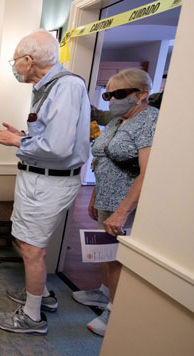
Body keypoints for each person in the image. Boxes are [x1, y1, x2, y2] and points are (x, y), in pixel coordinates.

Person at [0, 29, 90, 335]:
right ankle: (41, 295)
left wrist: (17, 143)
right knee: (26, 240)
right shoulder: (45, 88)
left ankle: (32, 317)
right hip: (37, 180)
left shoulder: (66, 87)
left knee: (32, 249)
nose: (14, 65)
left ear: (29, 60)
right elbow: (50, 135)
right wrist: (23, 136)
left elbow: (58, 148)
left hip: (49, 182)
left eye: (15, 60)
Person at [73, 68, 159, 337]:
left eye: (119, 94)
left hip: (127, 206)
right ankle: (103, 293)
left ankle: (115, 313)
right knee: (106, 255)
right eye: (109, 94)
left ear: (141, 94)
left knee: (118, 260)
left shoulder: (149, 121)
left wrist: (122, 212)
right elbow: (104, 158)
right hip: (106, 198)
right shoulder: (116, 121)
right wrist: (96, 196)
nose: (112, 100)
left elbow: (148, 172)